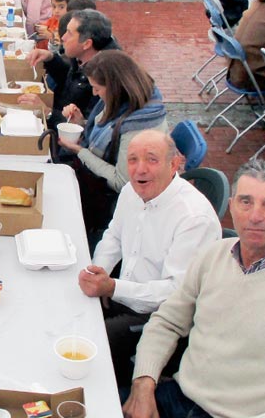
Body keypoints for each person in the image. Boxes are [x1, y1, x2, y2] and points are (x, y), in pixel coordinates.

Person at [122, 159, 265, 418]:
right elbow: (167, 321)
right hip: (177, 397)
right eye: (246, 202)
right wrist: (143, 383)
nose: (255, 216)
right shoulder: (213, 256)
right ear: (232, 207)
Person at [80, 129, 220, 385]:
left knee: (94, 343)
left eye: (152, 160)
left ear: (174, 164)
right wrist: (98, 272)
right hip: (124, 294)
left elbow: (174, 293)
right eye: (132, 160)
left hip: (161, 317)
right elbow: (113, 237)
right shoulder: (131, 192)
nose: (139, 169)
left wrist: (113, 287)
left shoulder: (193, 218)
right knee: (74, 315)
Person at [57, 52, 170, 244]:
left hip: (116, 206)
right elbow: (106, 136)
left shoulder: (138, 128)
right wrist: (82, 124)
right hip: (97, 185)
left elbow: (122, 181)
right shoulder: (122, 102)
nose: (94, 94)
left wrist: (80, 151)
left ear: (114, 87)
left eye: (97, 88)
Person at [25, 9, 120, 125]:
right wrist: (50, 58)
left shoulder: (104, 77)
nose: (63, 37)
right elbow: (71, 81)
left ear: (87, 44)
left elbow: (87, 126)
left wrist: (48, 113)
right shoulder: (81, 57)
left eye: (69, 33)